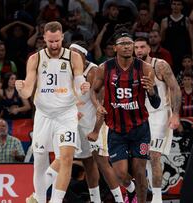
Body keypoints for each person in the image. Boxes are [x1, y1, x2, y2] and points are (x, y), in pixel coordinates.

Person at [15, 21, 90, 203]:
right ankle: (39, 199)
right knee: (40, 162)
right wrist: (21, 88)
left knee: (66, 158)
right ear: (44, 39)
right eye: (50, 41)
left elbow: (79, 83)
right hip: (43, 115)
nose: (54, 45)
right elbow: (28, 90)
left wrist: (83, 86)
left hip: (66, 114)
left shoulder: (73, 58)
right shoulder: (35, 59)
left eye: (57, 41)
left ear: (62, 37)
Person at [92, 29, 161, 203]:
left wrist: (152, 91)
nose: (127, 46)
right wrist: (97, 105)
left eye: (129, 43)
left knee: (139, 172)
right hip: (116, 129)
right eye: (122, 43)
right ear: (115, 48)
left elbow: (156, 103)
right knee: (121, 174)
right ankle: (130, 190)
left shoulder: (145, 68)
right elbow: (93, 90)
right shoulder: (104, 68)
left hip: (140, 129)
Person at [70, 41, 124, 203]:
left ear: (83, 55)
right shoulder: (70, 71)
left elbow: (103, 104)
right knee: (87, 163)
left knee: (102, 162)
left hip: (96, 124)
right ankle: (95, 200)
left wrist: (95, 130)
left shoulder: (94, 71)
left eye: (74, 53)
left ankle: (120, 200)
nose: (71, 56)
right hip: (79, 124)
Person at [134, 37, 181, 203]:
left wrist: (175, 114)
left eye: (142, 47)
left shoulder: (160, 65)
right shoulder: (131, 67)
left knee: (154, 156)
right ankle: (139, 193)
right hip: (139, 116)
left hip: (159, 114)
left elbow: (175, 88)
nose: (139, 50)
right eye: (136, 47)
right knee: (142, 159)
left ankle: (157, 198)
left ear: (148, 49)